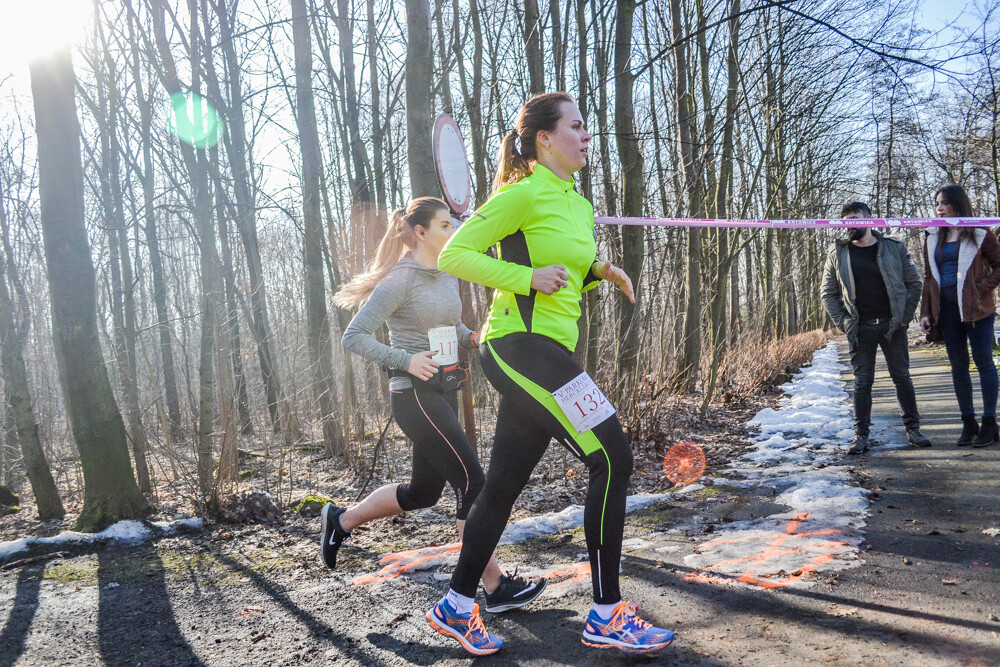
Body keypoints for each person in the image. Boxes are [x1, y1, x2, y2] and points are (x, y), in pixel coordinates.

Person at [424, 92, 674, 656]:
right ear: (544, 137)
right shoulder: (522, 193)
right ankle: (607, 613)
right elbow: (454, 255)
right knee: (612, 453)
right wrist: (524, 278)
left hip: (553, 351)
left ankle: (457, 606)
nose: (587, 135)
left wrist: (602, 272)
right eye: (577, 125)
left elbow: (567, 270)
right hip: (517, 346)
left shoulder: (578, 204)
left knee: (503, 485)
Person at [320, 196, 546, 614]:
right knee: (473, 483)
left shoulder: (447, 270)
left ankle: (341, 520)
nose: (454, 230)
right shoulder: (399, 279)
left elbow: (449, 325)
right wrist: (405, 359)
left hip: (443, 390)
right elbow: (354, 336)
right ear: (420, 232)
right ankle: (494, 587)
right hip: (413, 394)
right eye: (445, 225)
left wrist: (474, 336)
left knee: (423, 493)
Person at [822, 201, 931, 454]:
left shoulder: (894, 248)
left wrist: (904, 318)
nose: (850, 225)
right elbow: (828, 294)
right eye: (846, 220)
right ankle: (861, 436)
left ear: (869, 219)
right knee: (862, 382)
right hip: (860, 328)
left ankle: (913, 430)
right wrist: (846, 323)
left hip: (892, 325)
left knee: (901, 377)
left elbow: (914, 283)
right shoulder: (837, 254)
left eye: (855, 218)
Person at [919, 185, 1000, 447]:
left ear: (958, 205)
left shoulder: (979, 231)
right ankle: (968, 422)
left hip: (977, 310)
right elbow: (929, 277)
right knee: (958, 366)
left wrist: (981, 288)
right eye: (936, 203)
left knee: (984, 362)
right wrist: (926, 312)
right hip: (946, 310)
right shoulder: (932, 235)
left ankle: (989, 422)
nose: (938, 208)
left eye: (944, 203)